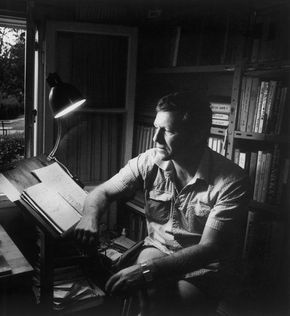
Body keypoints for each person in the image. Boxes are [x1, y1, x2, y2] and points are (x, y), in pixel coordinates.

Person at [74, 92, 251, 316]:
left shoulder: (232, 180)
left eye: (167, 131)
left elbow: (209, 249)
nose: (155, 138)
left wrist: (147, 271)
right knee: (145, 293)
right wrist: (89, 217)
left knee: (172, 305)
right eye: (155, 127)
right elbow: (102, 191)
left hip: (204, 265)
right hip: (159, 249)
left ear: (196, 135)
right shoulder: (149, 161)